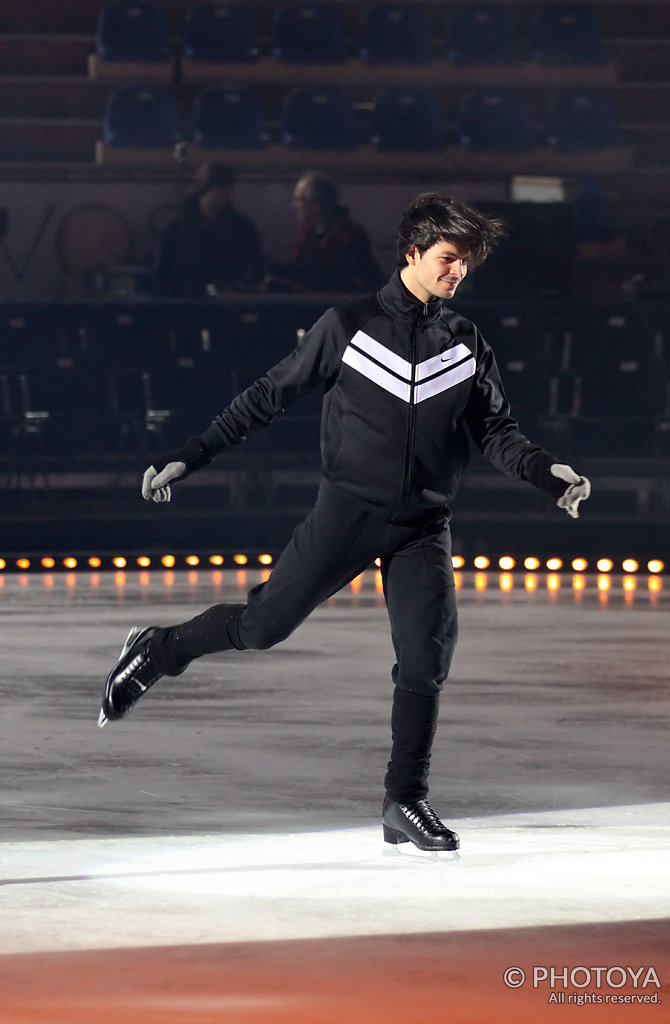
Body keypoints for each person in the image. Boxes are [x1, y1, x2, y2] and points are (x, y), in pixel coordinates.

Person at [99, 194, 591, 853]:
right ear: (410, 253)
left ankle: (403, 801)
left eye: (465, 263)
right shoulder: (347, 326)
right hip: (347, 513)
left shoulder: (464, 342)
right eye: (447, 260)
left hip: (421, 525)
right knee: (263, 626)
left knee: (426, 657)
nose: (457, 274)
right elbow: (266, 397)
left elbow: (497, 432)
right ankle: (159, 649)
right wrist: (189, 458)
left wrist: (546, 472)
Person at [155, 162, 264, 297]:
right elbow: (165, 273)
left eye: (228, 192)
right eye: (220, 192)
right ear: (206, 190)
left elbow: (252, 266)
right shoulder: (176, 228)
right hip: (184, 301)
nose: (226, 197)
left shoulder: (241, 228)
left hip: (227, 301)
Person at [264, 171, 382, 293]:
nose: (295, 205)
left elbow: (323, 273)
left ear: (315, 204)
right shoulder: (310, 232)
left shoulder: (347, 233)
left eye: (299, 200)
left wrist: (278, 271)